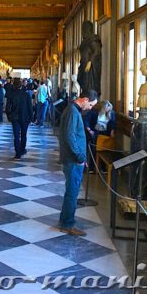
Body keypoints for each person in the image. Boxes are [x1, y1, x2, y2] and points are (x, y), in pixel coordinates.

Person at [58, 90, 98, 236]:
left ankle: (65, 220)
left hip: (75, 158)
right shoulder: (72, 112)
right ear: (85, 99)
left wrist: (83, 158)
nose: (91, 108)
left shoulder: (73, 110)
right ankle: (67, 224)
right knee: (72, 192)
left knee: (72, 191)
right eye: (91, 105)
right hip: (73, 159)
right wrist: (80, 157)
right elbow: (70, 137)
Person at [84, 100, 115, 173]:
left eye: (108, 108)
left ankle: (102, 168)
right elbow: (87, 120)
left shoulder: (111, 113)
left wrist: (112, 132)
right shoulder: (94, 111)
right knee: (92, 150)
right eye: (105, 108)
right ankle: (91, 168)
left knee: (104, 150)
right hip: (94, 132)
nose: (106, 110)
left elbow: (112, 123)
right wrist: (89, 130)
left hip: (105, 133)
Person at [8, 78, 32, 159]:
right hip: (25, 118)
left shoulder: (11, 94)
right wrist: (31, 118)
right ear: (21, 85)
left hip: (15, 118)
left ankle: (17, 153)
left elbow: (8, 108)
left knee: (16, 136)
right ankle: (22, 149)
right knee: (24, 135)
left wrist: (9, 116)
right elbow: (30, 107)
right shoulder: (26, 94)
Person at [77, 20, 102, 95]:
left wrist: (90, 62)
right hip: (84, 64)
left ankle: (90, 94)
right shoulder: (85, 41)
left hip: (91, 67)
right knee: (83, 81)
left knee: (89, 84)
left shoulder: (93, 39)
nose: (82, 31)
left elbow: (97, 51)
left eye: (84, 29)